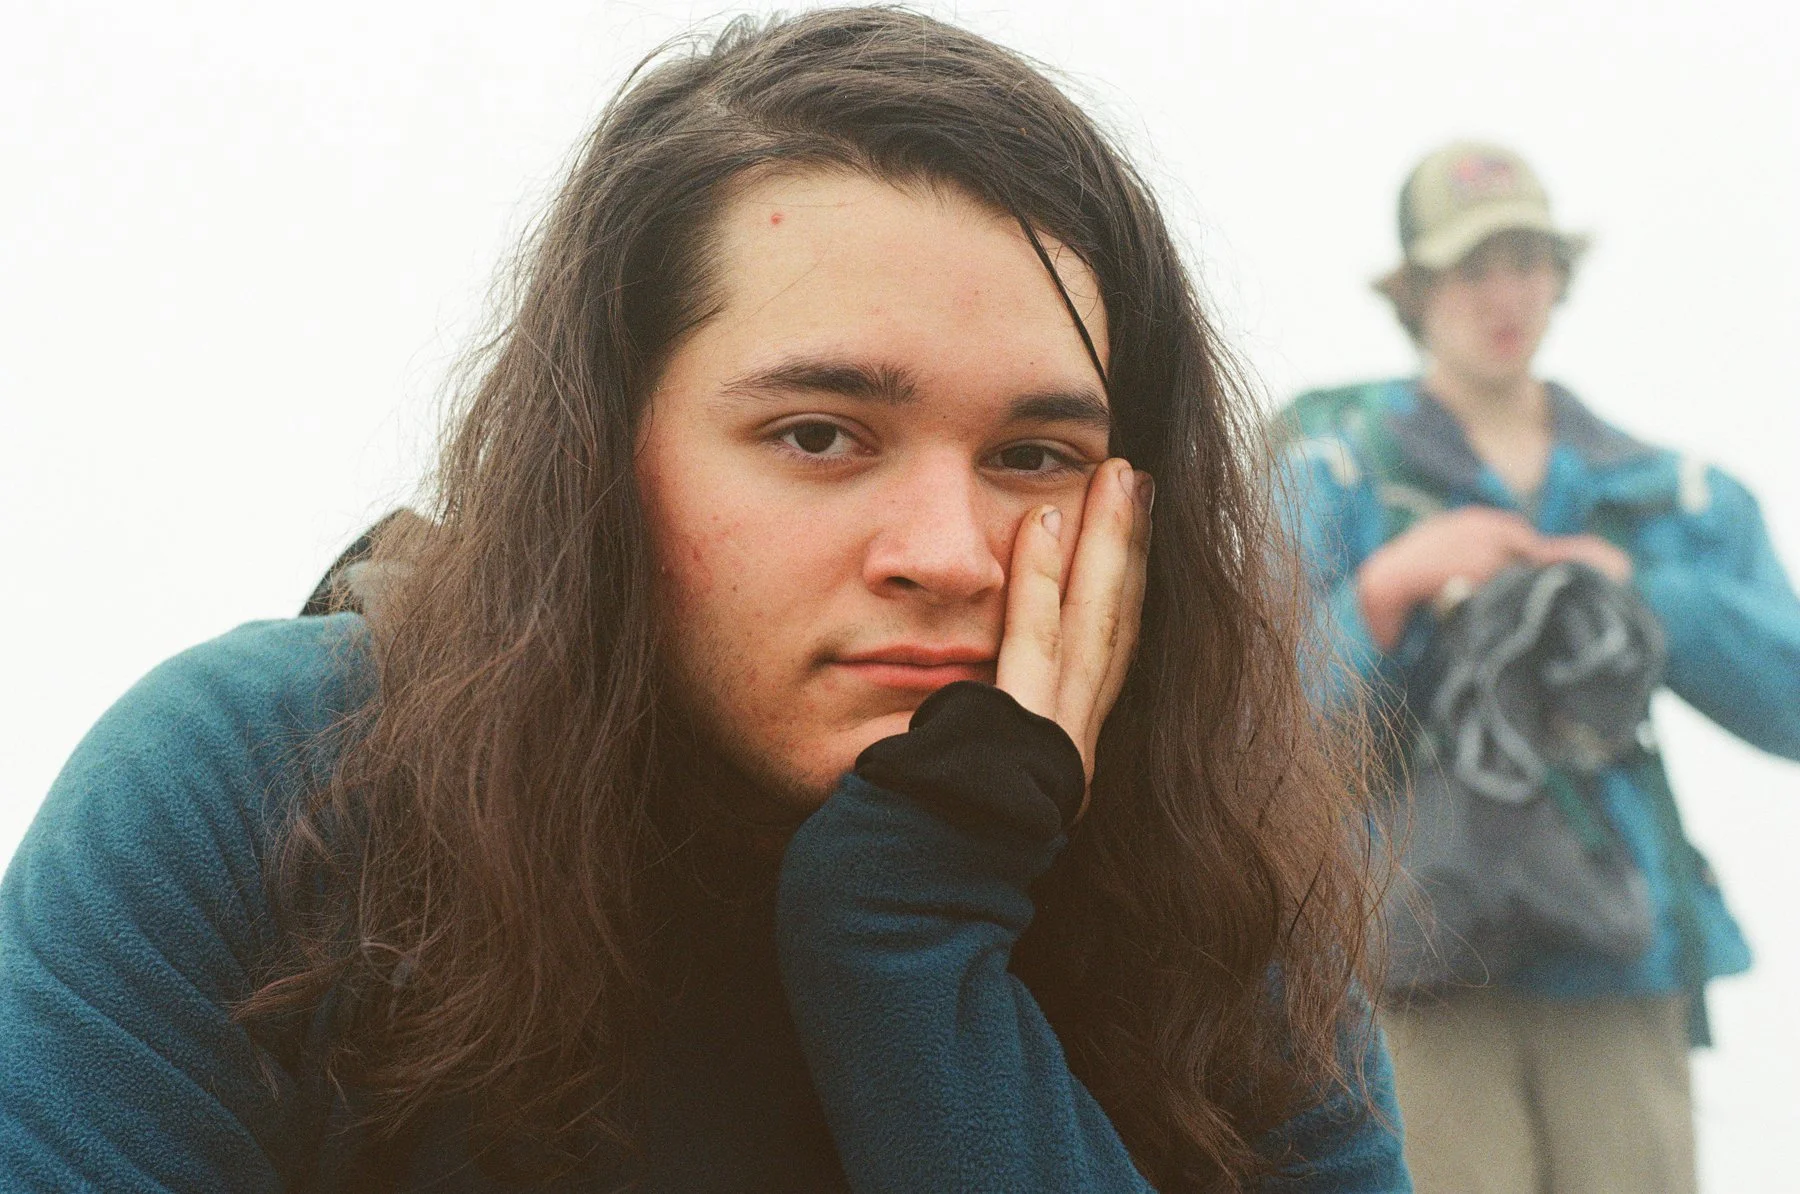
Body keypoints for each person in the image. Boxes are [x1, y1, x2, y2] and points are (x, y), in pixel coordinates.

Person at [0, 10, 1409, 1193]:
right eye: (819, 434)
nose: (953, 552)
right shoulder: (261, 791)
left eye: (1033, 457)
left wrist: (914, 957)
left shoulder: (1214, 903)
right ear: (604, 461)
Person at [1279, 140, 1800, 1193]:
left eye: (1525, 259)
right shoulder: (1328, 483)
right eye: (1471, 268)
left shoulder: (1670, 497)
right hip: (1414, 959)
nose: (1502, 293)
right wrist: (1381, 594)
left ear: (1561, 275)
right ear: (1417, 293)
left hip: (1616, 961)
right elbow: (1244, 735)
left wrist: (1644, 593)